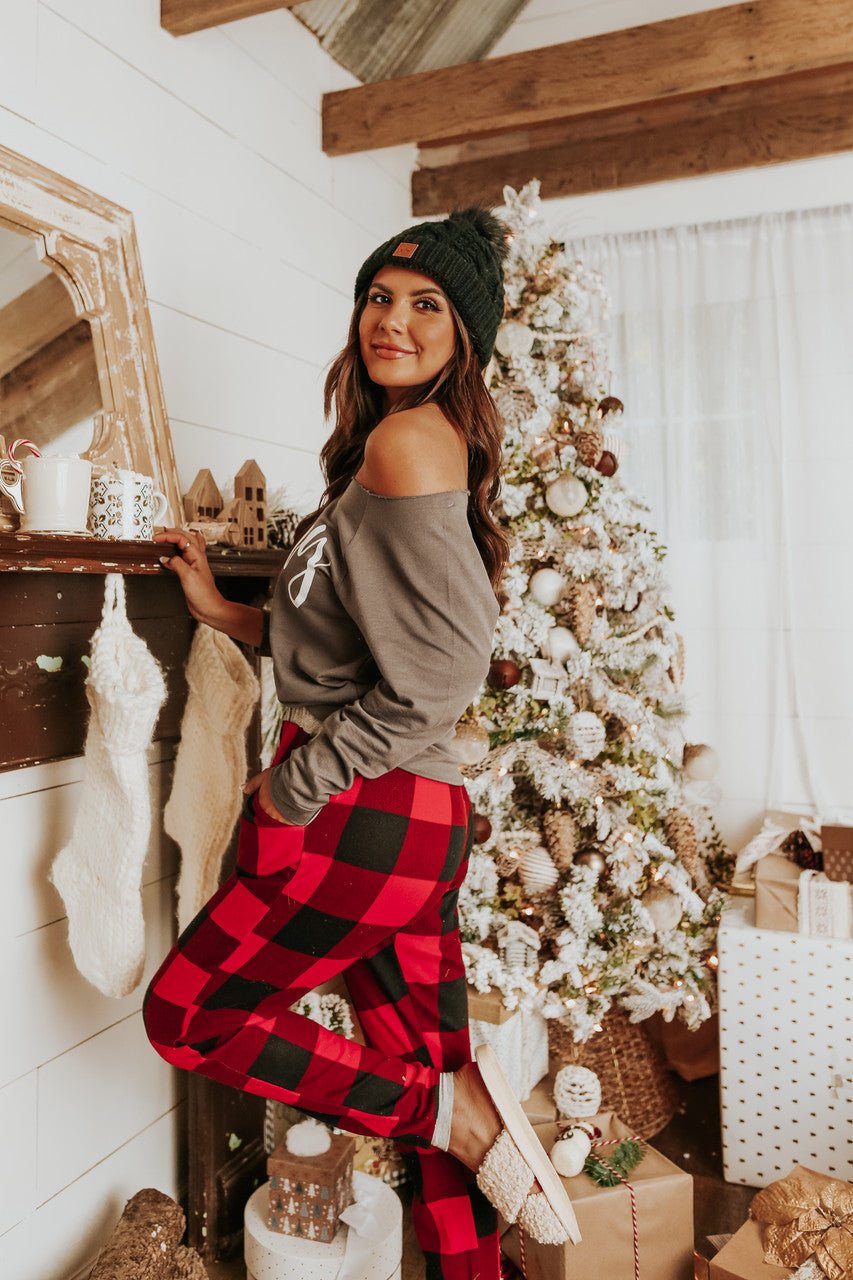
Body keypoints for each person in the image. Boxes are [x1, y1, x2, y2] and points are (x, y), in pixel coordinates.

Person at [143, 207, 579, 1279]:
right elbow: (348, 638)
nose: (392, 320)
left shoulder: (407, 439)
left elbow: (440, 677)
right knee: (424, 1051)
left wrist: (294, 788)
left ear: (462, 337)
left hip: (363, 814)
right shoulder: (389, 449)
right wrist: (227, 616)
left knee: (189, 1014)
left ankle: (445, 1112)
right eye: (380, 296)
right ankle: (466, 1221)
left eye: (426, 305)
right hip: (410, 823)